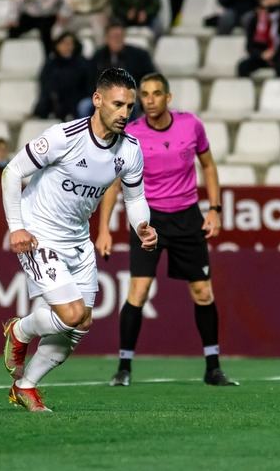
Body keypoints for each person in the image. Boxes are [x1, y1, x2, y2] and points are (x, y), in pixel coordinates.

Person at [1, 67, 157, 412]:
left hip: (77, 240)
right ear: (97, 100)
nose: (124, 113)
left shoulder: (130, 149)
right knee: (71, 314)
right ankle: (20, 331)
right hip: (39, 233)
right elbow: (12, 172)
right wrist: (17, 227)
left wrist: (142, 226)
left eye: (130, 107)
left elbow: (134, 198)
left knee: (81, 324)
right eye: (118, 104)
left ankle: (25, 387)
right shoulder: (64, 136)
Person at [96, 72, 238, 387]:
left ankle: (213, 367)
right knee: (139, 290)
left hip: (187, 217)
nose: (149, 100)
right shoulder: (129, 134)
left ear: (167, 97)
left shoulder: (191, 126)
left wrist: (214, 210)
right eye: (144, 94)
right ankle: (124, 367)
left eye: (156, 93)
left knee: (203, 292)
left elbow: (209, 165)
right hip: (148, 219)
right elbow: (113, 182)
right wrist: (103, 229)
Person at [78, 18, 156, 118]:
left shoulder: (139, 55)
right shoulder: (98, 57)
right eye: (113, 36)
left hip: (129, 97)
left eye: (120, 36)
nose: (117, 39)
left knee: (132, 106)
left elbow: (150, 78)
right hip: (104, 98)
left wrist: (139, 91)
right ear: (106, 38)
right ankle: (88, 133)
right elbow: (89, 81)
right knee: (84, 106)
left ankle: (127, 132)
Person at [237, 0, 280, 78]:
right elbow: (250, 46)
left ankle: (279, 91)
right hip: (262, 55)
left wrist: (274, 53)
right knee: (243, 66)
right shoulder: (255, 19)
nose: (271, 2)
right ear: (261, 1)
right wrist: (261, 54)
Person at [34, 31, 89, 121]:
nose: (66, 47)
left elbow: (88, 86)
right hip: (55, 102)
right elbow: (45, 85)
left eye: (70, 43)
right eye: (63, 43)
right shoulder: (50, 64)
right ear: (57, 45)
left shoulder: (83, 63)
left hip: (77, 101)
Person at [6, 0, 73, 55]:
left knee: (48, 34)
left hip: (49, 17)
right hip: (29, 16)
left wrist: (63, 14)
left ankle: (49, 57)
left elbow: (67, 1)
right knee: (12, 30)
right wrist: (12, 18)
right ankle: (11, 55)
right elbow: (15, 2)